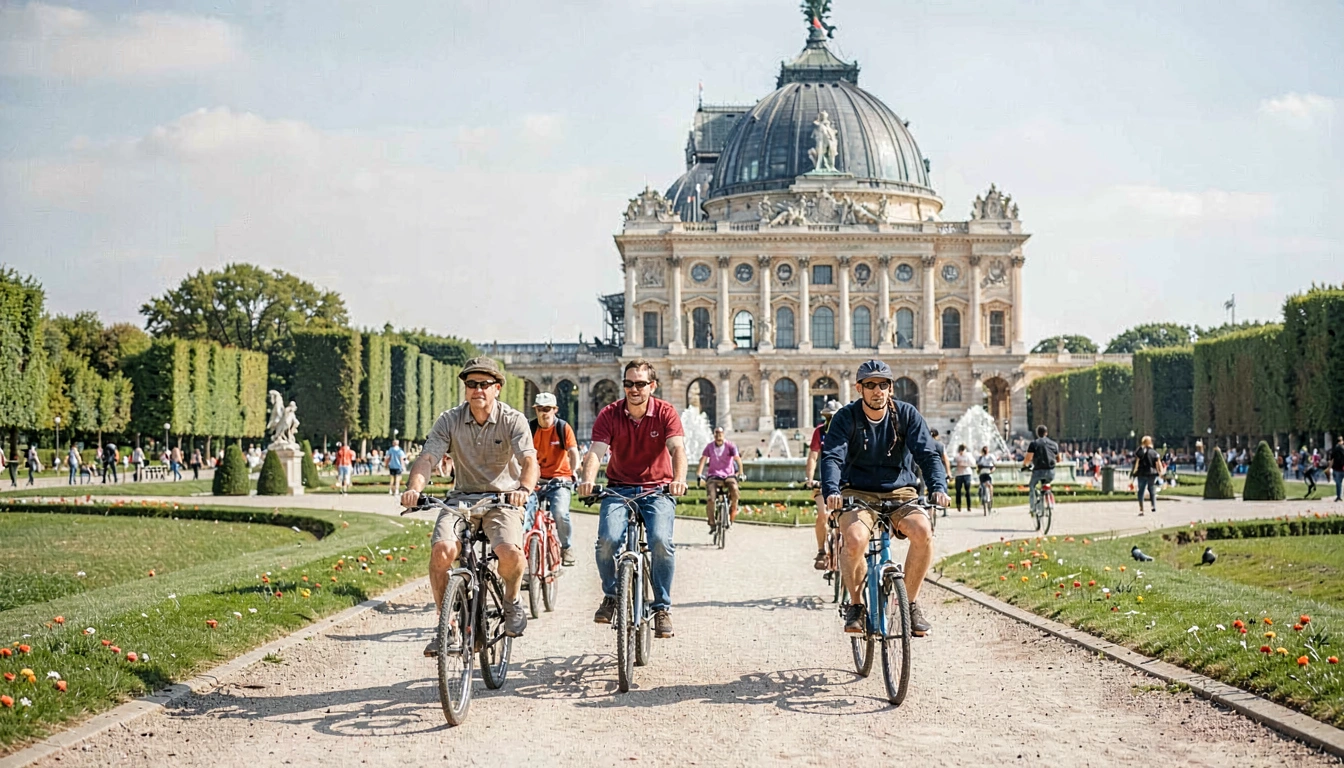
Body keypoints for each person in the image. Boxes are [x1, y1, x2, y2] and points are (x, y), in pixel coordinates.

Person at [400, 356, 537, 654]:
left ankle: (512, 602)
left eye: (484, 384)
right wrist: (414, 489)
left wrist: (524, 489)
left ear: (497, 388)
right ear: (465, 388)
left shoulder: (513, 420)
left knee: (510, 554)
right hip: (462, 499)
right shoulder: (449, 420)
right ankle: (446, 625)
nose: (478, 390)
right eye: (471, 384)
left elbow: (529, 460)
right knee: (442, 551)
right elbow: (427, 459)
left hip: (502, 500)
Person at [820, 360, 950, 637]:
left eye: (883, 384)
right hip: (857, 490)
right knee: (854, 540)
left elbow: (927, 455)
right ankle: (855, 605)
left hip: (900, 491)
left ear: (891, 388)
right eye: (870, 385)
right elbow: (832, 456)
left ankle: (910, 604)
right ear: (859, 388)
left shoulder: (906, 415)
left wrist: (938, 486)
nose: (877, 390)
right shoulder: (846, 418)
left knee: (923, 531)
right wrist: (832, 490)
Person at [577, 359, 687, 639]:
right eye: (628, 384)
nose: (633, 389)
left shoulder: (666, 412)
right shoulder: (610, 413)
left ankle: (662, 607)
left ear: (652, 385)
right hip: (619, 489)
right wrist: (587, 479)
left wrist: (679, 479)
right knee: (607, 542)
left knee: (661, 541)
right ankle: (612, 596)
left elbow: (677, 450)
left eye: (640, 384)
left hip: (658, 490)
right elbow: (596, 452)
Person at [525, 392, 581, 566]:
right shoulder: (529, 428)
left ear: (555, 410)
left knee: (560, 512)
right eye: (540, 409)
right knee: (524, 514)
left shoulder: (563, 428)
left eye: (547, 409)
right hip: (535, 479)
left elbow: (573, 453)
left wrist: (573, 471)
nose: (544, 413)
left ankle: (566, 547)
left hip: (559, 479)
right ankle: (522, 552)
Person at [807, 400, 842, 569]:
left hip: (844, 481)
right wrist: (810, 478)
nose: (830, 420)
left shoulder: (847, 431)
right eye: (828, 417)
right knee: (823, 513)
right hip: (824, 482)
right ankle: (821, 550)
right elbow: (813, 457)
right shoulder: (819, 432)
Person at [697, 426, 743, 533]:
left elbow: (738, 459)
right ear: (714, 435)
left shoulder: (730, 446)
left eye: (720, 434)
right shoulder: (709, 447)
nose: (719, 437)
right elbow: (703, 460)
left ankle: (733, 511)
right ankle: (712, 522)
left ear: (723, 435)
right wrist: (699, 474)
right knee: (711, 499)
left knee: (734, 490)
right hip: (713, 476)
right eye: (717, 434)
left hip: (728, 475)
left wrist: (740, 472)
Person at [1022, 426, 1058, 519]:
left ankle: (1033, 508)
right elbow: (1058, 458)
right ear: (1046, 433)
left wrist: (1025, 466)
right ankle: (1050, 500)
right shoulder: (1054, 444)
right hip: (1051, 471)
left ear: (1038, 433)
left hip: (1038, 471)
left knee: (1032, 486)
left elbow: (1028, 458)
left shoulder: (1034, 444)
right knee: (1047, 483)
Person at [1131, 436, 1164, 515]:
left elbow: (1137, 462)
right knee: (1152, 489)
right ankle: (1153, 506)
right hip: (1151, 473)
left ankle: (1141, 509)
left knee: (1141, 491)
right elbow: (1158, 463)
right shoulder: (1154, 452)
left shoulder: (1140, 452)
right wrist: (1160, 472)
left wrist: (1134, 470)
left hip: (1142, 473)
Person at [927, 428, 952, 517]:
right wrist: (949, 472)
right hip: (939, 470)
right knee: (943, 487)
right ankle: (945, 510)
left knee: (925, 489)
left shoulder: (924, 444)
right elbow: (946, 459)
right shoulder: (940, 445)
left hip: (926, 469)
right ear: (936, 436)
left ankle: (929, 509)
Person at [951, 444, 975, 512]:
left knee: (967, 490)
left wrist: (966, 461)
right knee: (958, 491)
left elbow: (973, 463)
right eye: (960, 450)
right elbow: (953, 463)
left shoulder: (968, 455)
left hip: (967, 473)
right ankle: (958, 505)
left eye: (962, 450)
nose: (961, 452)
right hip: (959, 474)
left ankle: (969, 506)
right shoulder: (957, 456)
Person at [1330, 435, 1344, 503]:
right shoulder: (1342, 448)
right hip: (1342, 467)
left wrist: (1330, 467)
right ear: (1341, 441)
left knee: (1338, 483)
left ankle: (1339, 496)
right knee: (1339, 482)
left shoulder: (1334, 448)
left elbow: (1331, 458)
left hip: (1336, 468)